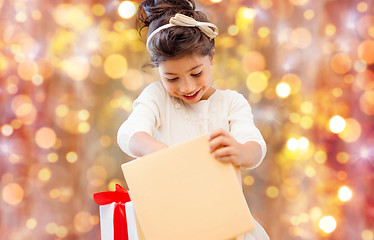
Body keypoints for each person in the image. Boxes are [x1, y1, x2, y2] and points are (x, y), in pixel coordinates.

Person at [117, 0, 269, 239]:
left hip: (225, 225)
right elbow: (129, 134)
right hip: (174, 225)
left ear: (211, 57)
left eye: (196, 73)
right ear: (158, 71)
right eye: (172, 78)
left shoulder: (231, 103)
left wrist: (241, 151)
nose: (187, 87)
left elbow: (255, 147)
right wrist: (161, 153)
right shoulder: (157, 98)